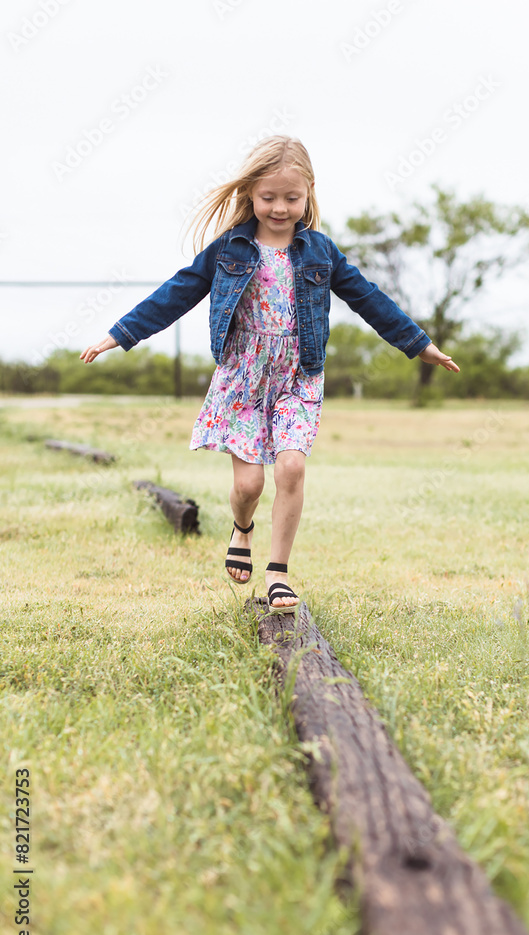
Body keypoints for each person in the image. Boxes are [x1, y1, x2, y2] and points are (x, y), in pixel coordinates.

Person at [80, 135, 459, 612]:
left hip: (299, 376)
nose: (280, 207)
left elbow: (369, 298)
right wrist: (119, 334)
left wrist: (418, 344)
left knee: (292, 466)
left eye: (291, 198)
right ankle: (242, 529)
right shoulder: (230, 249)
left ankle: (278, 572)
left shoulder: (322, 252)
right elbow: (176, 293)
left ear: (309, 195)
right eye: (268, 198)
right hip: (243, 377)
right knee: (248, 487)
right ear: (251, 195)